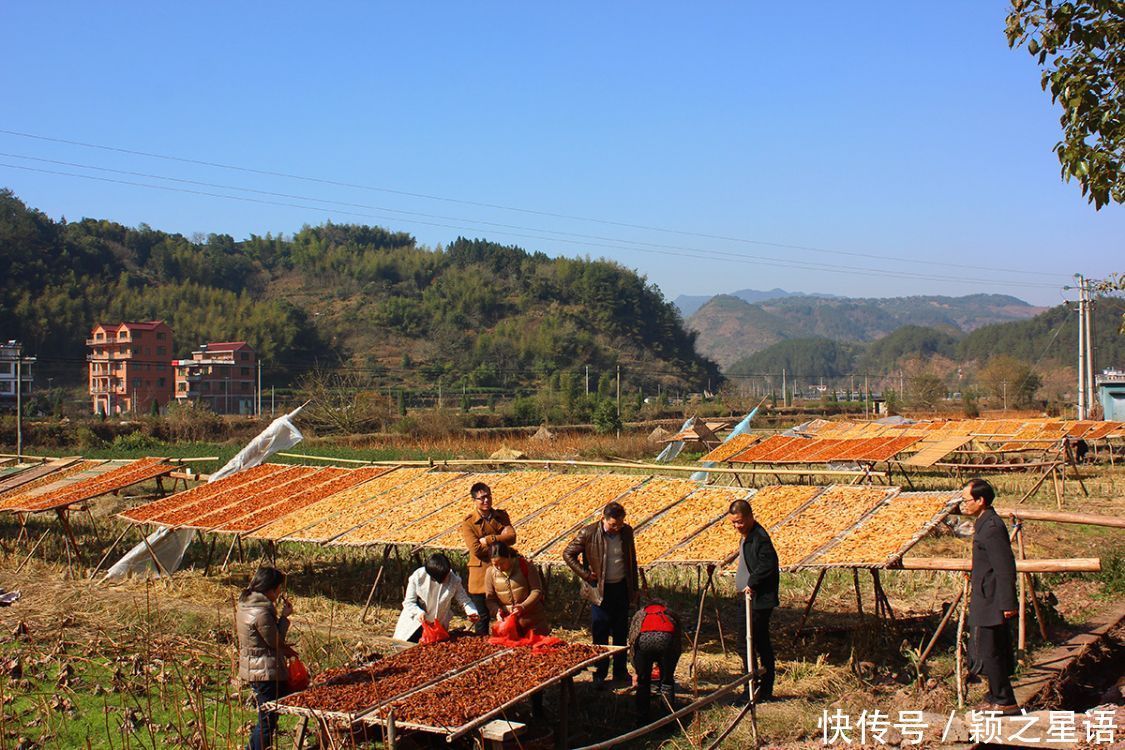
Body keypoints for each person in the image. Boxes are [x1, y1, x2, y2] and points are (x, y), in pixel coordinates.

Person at [563, 501, 639, 689]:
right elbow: (568, 554)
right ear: (603, 519)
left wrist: (634, 589)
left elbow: (632, 560)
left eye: (620, 524)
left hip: (620, 588)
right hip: (600, 591)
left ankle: (620, 670)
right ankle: (601, 670)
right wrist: (586, 575)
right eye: (613, 524)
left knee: (621, 632)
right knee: (600, 632)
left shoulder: (626, 532)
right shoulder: (588, 533)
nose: (616, 528)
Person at [961, 478, 1020, 715]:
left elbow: (1005, 567)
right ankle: (997, 694)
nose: (963, 505)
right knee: (986, 647)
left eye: (966, 500)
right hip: (985, 595)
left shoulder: (992, 527)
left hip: (992, 598)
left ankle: (1004, 699)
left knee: (989, 649)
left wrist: (1008, 603)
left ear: (980, 500)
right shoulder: (985, 523)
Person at [237, 566, 294, 750]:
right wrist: (284, 618)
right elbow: (274, 641)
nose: (279, 594)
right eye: (278, 590)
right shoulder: (261, 612)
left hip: (255, 667)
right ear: (270, 589)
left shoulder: (247, 603)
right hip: (265, 671)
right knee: (267, 722)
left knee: (267, 718)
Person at [728, 499, 779, 704]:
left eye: (739, 522)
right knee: (757, 642)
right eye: (733, 523)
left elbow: (768, 564)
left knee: (748, 643)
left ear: (749, 517)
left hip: (757, 599)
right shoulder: (747, 536)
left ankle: (754, 686)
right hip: (749, 596)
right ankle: (759, 687)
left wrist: (753, 583)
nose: (737, 526)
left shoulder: (760, 538)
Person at [461, 482, 516, 635]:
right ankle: (482, 646)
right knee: (483, 617)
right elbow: (476, 549)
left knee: (504, 613)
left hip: (501, 571)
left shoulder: (501, 516)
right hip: (480, 575)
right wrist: (500, 541)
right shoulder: (469, 522)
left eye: (488, 497)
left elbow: (511, 537)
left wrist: (490, 539)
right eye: (482, 498)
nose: (486, 501)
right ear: (474, 501)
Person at [393, 553, 480, 642]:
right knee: (409, 648)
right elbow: (409, 602)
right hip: (415, 623)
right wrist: (419, 612)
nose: (443, 580)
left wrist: (472, 612)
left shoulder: (454, 580)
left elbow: (465, 600)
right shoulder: (418, 576)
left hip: (438, 625)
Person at [628, 599, 683, 723]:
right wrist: (670, 667)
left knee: (643, 683)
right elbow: (677, 642)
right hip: (666, 641)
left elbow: (632, 640)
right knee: (666, 683)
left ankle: (642, 720)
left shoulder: (639, 614)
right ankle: (667, 721)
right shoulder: (670, 614)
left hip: (643, 643)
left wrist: (636, 668)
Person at [484, 542, 550, 635]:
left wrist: (523, 606)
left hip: (532, 622)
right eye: (495, 564)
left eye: (502, 563)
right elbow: (490, 599)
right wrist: (496, 611)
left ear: (509, 557)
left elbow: (536, 591)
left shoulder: (526, 566)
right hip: (509, 626)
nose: (499, 567)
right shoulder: (490, 572)